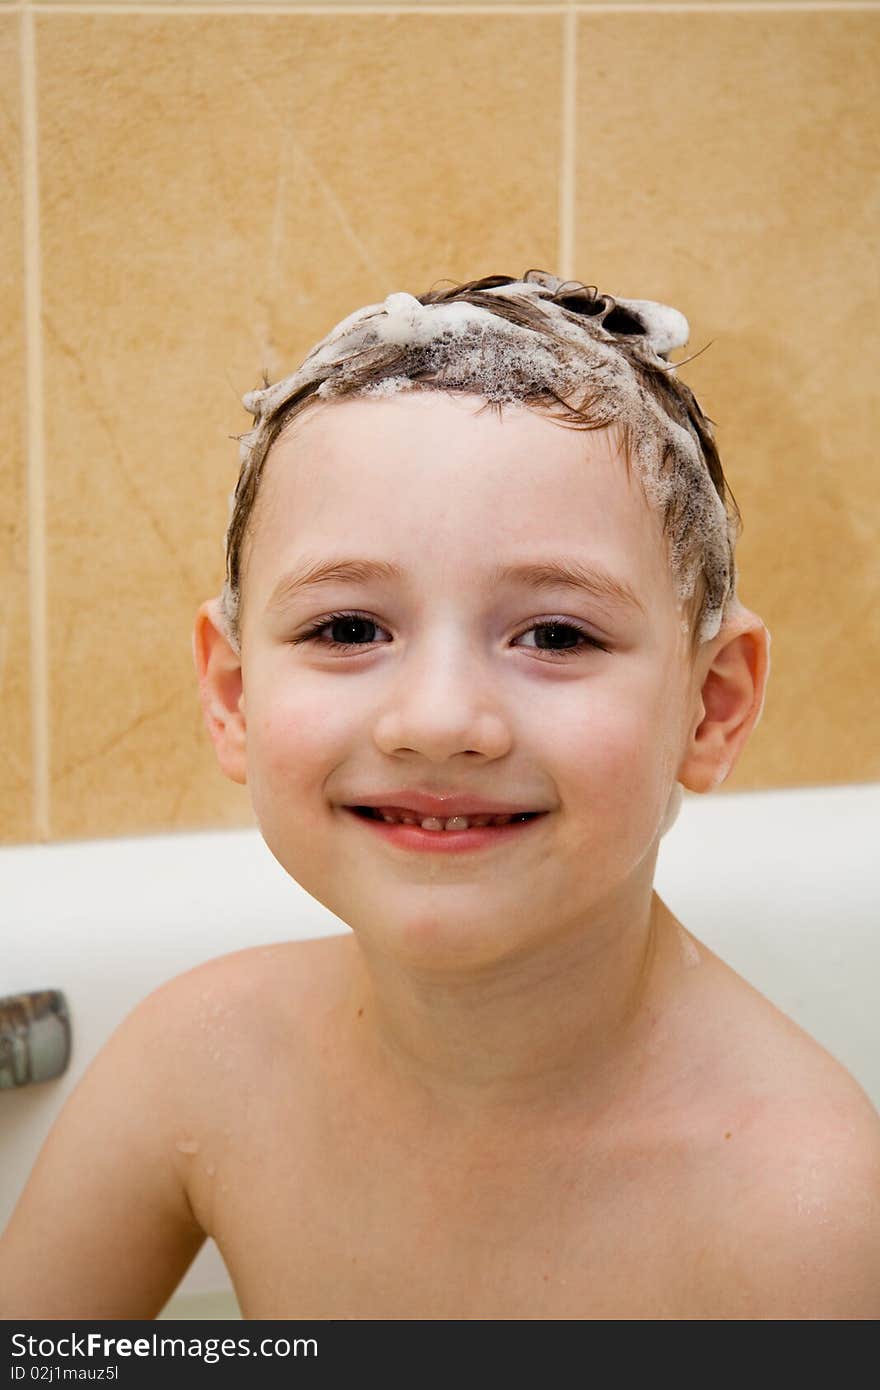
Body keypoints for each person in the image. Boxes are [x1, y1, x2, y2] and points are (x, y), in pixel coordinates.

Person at [2, 272, 878, 1320]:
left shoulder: (803, 1213)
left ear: (710, 707)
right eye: (347, 629)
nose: (438, 717)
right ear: (233, 693)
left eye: (556, 634)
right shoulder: (200, 1064)